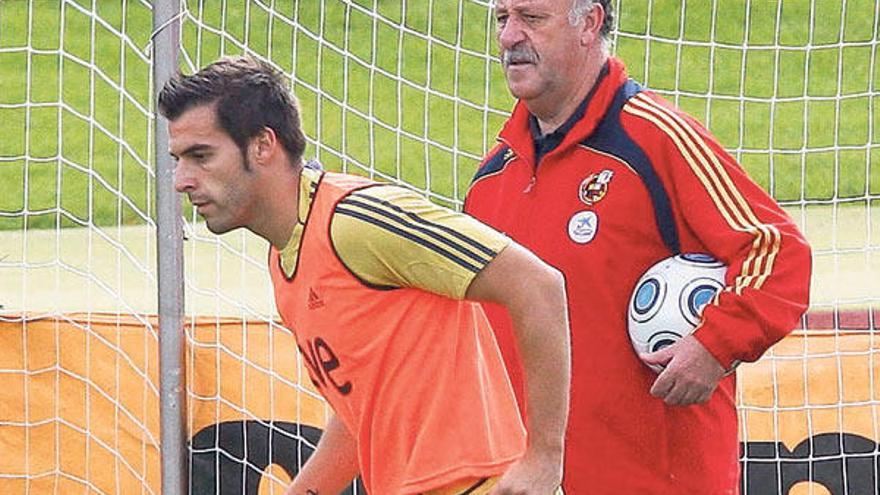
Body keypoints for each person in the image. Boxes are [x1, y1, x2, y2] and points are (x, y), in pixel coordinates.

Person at [158, 56, 570, 495]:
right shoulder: (285, 260)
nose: (182, 180)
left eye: (201, 156)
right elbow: (359, 416)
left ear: (263, 145)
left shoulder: (357, 219)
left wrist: (544, 457)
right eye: (179, 160)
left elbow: (538, 284)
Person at [464, 0, 812, 493]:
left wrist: (714, 346)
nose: (509, 37)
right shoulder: (491, 179)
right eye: (502, 19)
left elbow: (776, 252)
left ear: (590, 23)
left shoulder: (657, 139)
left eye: (532, 18)